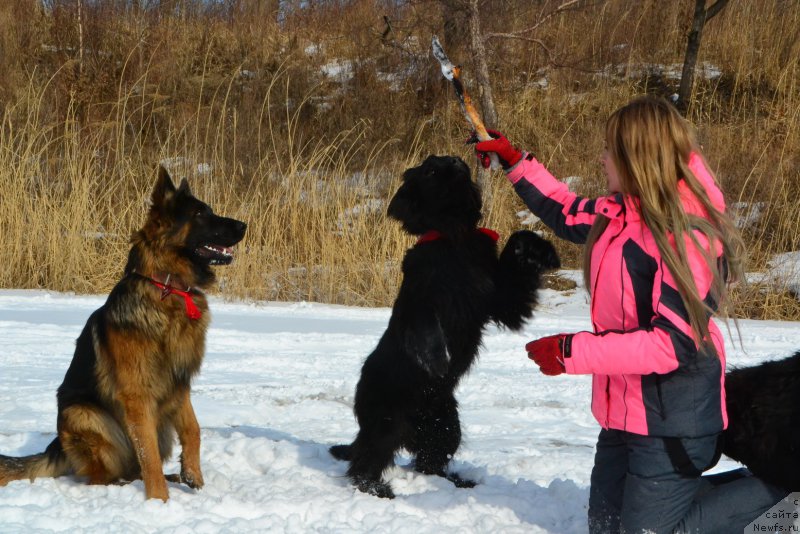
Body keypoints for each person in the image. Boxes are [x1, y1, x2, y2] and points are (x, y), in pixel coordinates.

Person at [473, 95, 789, 533]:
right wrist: (515, 163)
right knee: (605, 526)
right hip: (625, 411)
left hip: (673, 421)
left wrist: (572, 351)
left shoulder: (686, 235)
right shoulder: (621, 214)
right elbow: (564, 210)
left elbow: (672, 346)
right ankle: (683, 501)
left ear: (638, 158)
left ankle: (784, 496)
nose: (602, 158)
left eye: (610, 150)